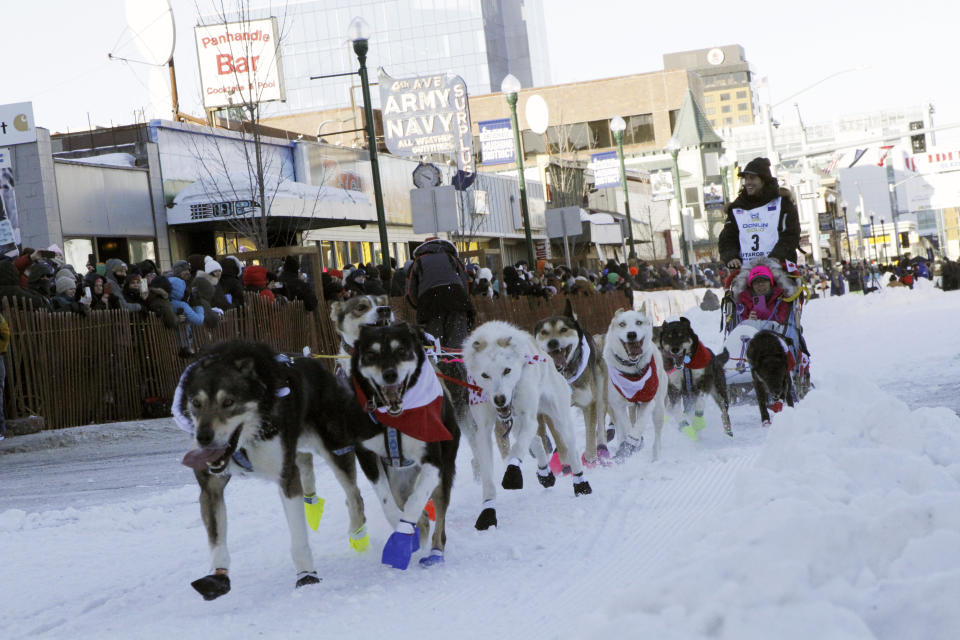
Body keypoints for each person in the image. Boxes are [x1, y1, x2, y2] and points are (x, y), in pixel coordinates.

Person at [718, 157, 801, 270]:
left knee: (789, 286)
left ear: (763, 180)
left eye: (752, 178)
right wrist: (731, 257)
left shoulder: (782, 204)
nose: (748, 183)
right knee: (733, 287)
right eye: (746, 179)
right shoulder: (737, 208)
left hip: (779, 267)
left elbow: (791, 235)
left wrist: (777, 256)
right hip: (747, 270)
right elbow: (727, 239)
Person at [405, 237, 474, 349]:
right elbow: (465, 281)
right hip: (457, 300)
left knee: (435, 343)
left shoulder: (418, 261)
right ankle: (457, 363)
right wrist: (463, 299)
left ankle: (439, 363)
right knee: (457, 342)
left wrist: (419, 305)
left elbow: (410, 290)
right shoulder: (451, 258)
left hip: (430, 304)